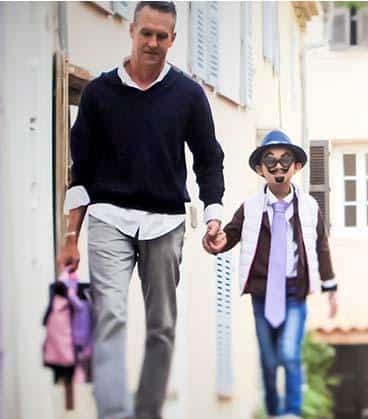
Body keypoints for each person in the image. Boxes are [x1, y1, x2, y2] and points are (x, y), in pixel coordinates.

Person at [56, 2, 226, 418]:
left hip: (165, 223)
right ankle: (114, 414)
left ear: (173, 39)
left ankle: (147, 412)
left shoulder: (188, 95)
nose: (152, 43)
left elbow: (208, 159)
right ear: (132, 30)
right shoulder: (98, 93)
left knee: (162, 325)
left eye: (161, 36)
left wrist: (213, 215)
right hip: (108, 217)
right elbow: (82, 170)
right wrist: (71, 236)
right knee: (109, 314)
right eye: (145, 33)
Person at [205, 129, 338, 419]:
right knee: (268, 359)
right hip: (262, 295)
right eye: (271, 161)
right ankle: (275, 412)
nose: (278, 168)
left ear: (297, 166)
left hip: (294, 291)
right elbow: (230, 235)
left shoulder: (309, 207)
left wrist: (330, 287)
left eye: (285, 161)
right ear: (260, 169)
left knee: (289, 354)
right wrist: (217, 243)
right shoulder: (250, 208)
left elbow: (321, 247)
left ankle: (291, 412)